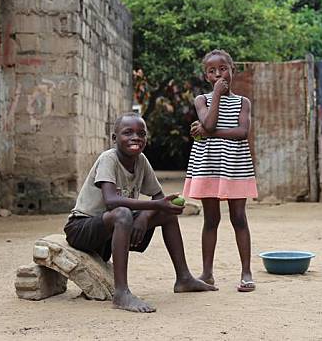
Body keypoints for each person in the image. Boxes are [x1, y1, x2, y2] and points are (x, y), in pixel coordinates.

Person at [64, 112, 217, 313]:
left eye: (141, 133)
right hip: (81, 228)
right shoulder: (108, 159)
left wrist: (145, 216)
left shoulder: (141, 161)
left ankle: (184, 278)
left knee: (167, 214)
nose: (136, 137)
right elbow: (111, 200)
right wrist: (153, 207)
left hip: (109, 228)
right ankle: (121, 293)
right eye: (128, 133)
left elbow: (158, 197)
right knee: (123, 213)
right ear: (114, 138)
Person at [183, 49, 258, 293]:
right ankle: (207, 273)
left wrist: (207, 132)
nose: (218, 74)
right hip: (208, 163)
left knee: (239, 218)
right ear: (206, 76)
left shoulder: (243, 103)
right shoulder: (201, 100)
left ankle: (246, 271)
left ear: (233, 70)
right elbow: (210, 121)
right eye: (212, 71)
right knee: (211, 219)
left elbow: (241, 132)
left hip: (234, 164)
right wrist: (216, 95)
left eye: (223, 69)